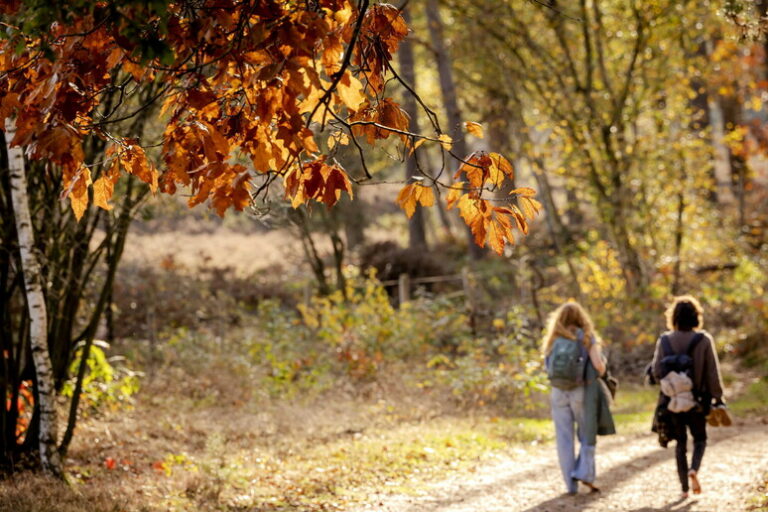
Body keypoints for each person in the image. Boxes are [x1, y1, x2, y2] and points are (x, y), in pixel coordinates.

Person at [651, 295, 726, 498]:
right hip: (698, 401)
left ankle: (684, 488)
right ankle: (694, 469)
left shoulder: (665, 340)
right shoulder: (704, 340)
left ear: (673, 316)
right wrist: (718, 397)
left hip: (672, 401)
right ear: (696, 316)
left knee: (680, 443)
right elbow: (712, 372)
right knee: (700, 438)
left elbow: (657, 371)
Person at [542, 301, 615, 495]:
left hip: (558, 391)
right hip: (580, 391)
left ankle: (569, 485)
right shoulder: (586, 338)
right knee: (586, 433)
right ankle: (584, 472)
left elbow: (547, 367)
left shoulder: (553, 339)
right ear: (582, 317)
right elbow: (599, 366)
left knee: (564, 438)